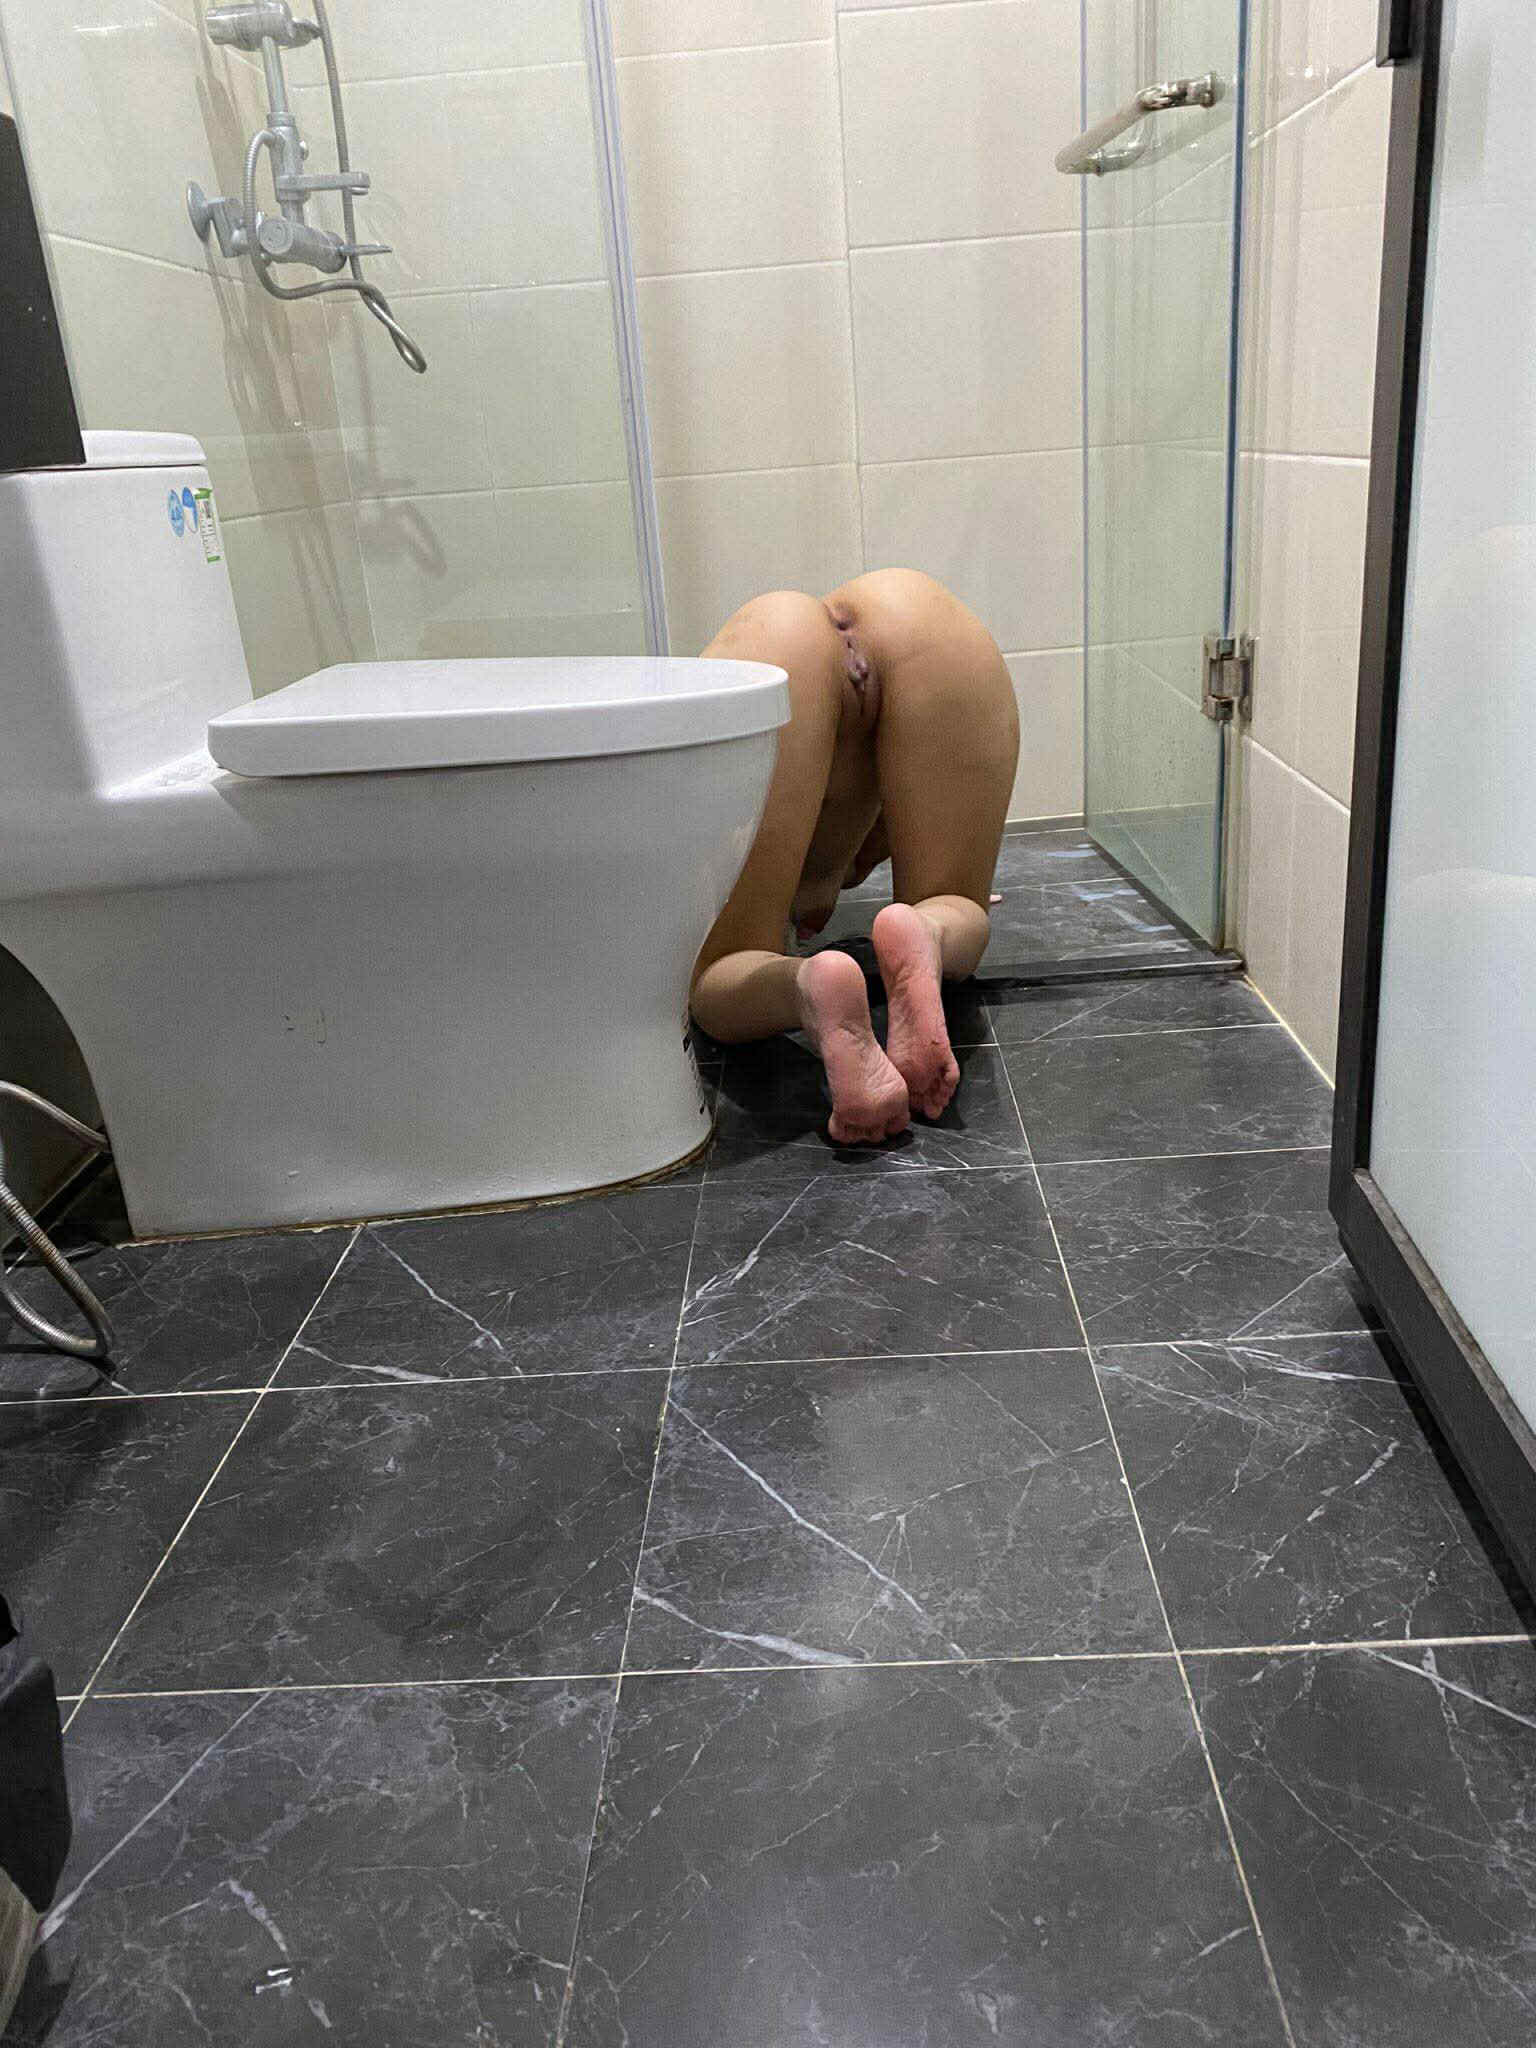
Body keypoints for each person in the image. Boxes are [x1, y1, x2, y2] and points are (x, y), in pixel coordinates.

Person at [691, 569, 1019, 1146]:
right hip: (921, 614)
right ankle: (927, 932)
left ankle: (809, 985)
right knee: (954, 905)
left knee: (722, 974)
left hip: (772, 641)